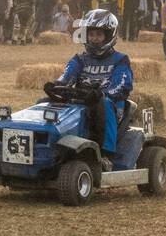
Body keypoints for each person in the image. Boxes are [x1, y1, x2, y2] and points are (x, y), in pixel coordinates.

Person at [48, 9, 132, 156]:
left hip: (111, 104)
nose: (94, 39)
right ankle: (49, 145)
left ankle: (105, 153)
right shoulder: (80, 59)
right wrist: (56, 85)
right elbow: (67, 77)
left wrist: (102, 94)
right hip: (82, 100)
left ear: (109, 36)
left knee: (103, 104)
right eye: (91, 34)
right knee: (45, 102)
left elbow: (120, 86)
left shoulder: (120, 60)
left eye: (99, 35)